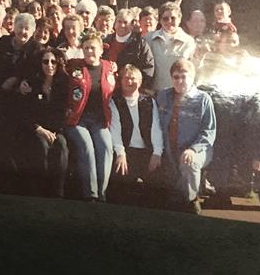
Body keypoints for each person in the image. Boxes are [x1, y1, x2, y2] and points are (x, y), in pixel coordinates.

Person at [157, 59, 216, 214]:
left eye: (184, 76)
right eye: (176, 77)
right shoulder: (163, 96)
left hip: (198, 149)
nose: (180, 81)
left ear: (192, 77)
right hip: (169, 148)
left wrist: (193, 149)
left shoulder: (203, 99)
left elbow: (209, 131)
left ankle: (192, 199)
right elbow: (156, 124)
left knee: (189, 163)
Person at [65, 31, 116, 202]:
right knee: (87, 147)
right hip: (77, 120)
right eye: (86, 48)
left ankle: (102, 194)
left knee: (106, 147)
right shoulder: (74, 65)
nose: (89, 51)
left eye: (93, 48)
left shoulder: (109, 67)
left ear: (101, 50)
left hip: (99, 120)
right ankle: (91, 194)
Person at [17, 47, 69, 197]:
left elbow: (62, 112)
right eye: (45, 62)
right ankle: (40, 191)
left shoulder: (63, 85)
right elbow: (25, 112)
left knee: (62, 146)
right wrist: (38, 128)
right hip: (35, 129)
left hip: (55, 129)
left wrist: (55, 131)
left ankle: (58, 193)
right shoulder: (31, 84)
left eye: (53, 62)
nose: (49, 65)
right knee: (42, 145)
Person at [109, 65, 163, 201]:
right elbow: (115, 129)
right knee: (120, 192)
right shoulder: (114, 101)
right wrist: (120, 153)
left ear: (139, 82)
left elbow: (156, 128)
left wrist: (157, 153)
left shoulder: (149, 101)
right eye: (126, 78)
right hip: (127, 152)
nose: (129, 81)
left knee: (157, 192)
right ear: (121, 81)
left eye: (133, 78)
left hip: (147, 151)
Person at [145, 2, 196, 92]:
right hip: (155, 93)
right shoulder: (149, 39)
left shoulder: (189, 41)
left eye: (173, 18)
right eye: (165, 19)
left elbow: (193, 70)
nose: (169, 21)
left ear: (179, 19)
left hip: (179, 93)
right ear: (160, 20)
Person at [103, 8, 155, 90]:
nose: (122, 25)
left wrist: (139, 88)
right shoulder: (106, 41)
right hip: (107, 87)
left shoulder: (140, 44)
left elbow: (148, 68)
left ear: (132, 25)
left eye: (125, 22)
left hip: (130, 89)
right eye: (119, 21)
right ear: (115, 23)